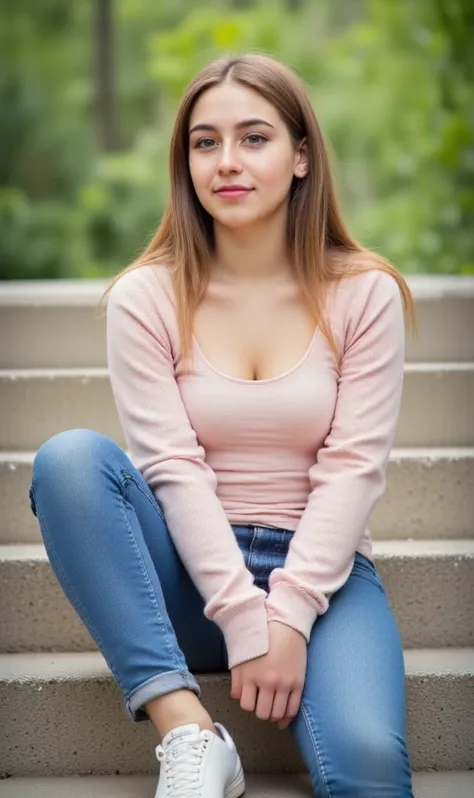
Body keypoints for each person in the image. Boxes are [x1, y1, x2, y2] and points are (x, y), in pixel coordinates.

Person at [28, 53, 417, 797]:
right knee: (71, 460)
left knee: (368, 763)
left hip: (326, 581)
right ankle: (190, 733)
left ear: (302, 155)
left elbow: (354, 469)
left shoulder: (364, 293)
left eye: (254, 138)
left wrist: (291, 614)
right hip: (186, 572)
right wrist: (244, 621)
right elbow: (171, 467)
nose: (226, 162)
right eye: (205, 143)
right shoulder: (147, 296)